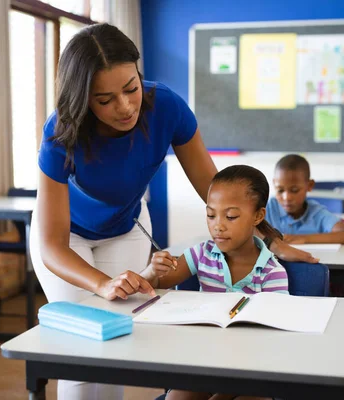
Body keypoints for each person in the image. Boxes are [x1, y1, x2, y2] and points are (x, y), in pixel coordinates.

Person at [29, 23, 315, 399]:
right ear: (82, 99)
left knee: (118, 338)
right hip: (68, 240)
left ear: (138, 72)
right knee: (82, 347)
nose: (126, 106)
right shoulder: (60, 134)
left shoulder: (165, 106)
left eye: (131, 88)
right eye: (105, 99)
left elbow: (214, 188)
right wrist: (101, 282)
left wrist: (271, 241)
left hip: (126, 227)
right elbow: (52, 245)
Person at [141, 165, 288, 400]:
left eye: (230, 216)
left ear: (258, 216)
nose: (217, 225)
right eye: (211, 215)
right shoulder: (201, 254)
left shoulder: (272, 273)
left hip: (254, 370)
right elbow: (158, 283)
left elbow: (274, 335)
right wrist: (152, 271)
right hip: (204, 362)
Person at [266, 154, 344, 245]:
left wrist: (303, 239)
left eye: (294, 190)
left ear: (310, 185)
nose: (287, 197)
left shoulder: (316, 213)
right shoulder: (266, 209)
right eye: (280, 190)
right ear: (274, 183)